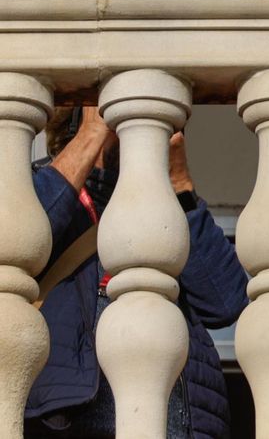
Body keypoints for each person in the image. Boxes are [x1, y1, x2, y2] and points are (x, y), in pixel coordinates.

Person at [25, 105, 249, 439]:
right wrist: (91, 132)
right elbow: (22, 239)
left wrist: (180, 184)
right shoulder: (34, 190)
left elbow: (225, 302)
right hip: (76, 420)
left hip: (178, 423)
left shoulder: (168, 206)